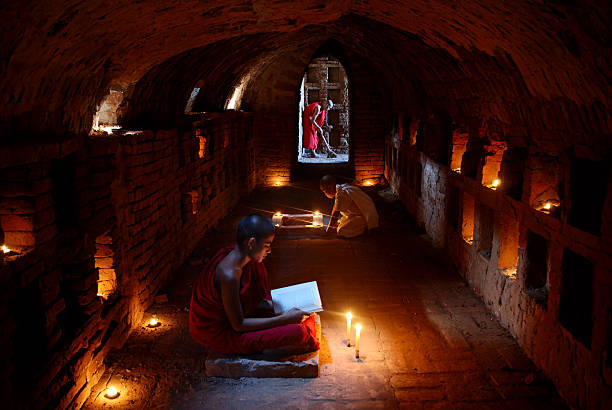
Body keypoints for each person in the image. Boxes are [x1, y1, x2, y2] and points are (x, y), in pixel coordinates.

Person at [189, 214, 319, 354]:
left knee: (286, 306)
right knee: (299, 332)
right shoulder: (229, 275)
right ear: (251, 243)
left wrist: (273, 307)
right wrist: (283, 319)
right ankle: (265, 348)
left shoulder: (243, 256)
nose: (269, 251)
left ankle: (269, 342)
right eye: (266, 246)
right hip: (221, 332)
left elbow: (253, 297)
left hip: (240, 314)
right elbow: (238, 325)